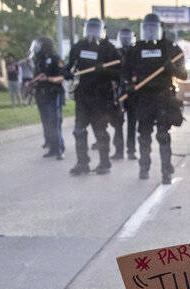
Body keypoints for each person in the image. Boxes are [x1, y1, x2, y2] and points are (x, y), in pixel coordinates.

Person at [123, 13, 186, 182]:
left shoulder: (169, 48)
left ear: (159, 29)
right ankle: (144, 168)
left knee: (163, 135)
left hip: (163, 97)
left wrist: (171, 68)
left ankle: (166, 171)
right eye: (147, 28)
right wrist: (128, 85)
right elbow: (125, 73)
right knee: (144, 136)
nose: (150, 32)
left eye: (153, 28)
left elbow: (184, 75)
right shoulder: (135, 50)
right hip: (143, 99)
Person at [65, 17, 120, 176]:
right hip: (82, 97)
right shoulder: (79, 47)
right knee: (79, 131)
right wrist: (67, 73)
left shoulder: (109, 49)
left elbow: (120, 72)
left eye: (96, 29)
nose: (93, 32)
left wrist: (104, 70)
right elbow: (70, 67)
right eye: (90, 28)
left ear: (101, 31)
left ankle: (104, 162)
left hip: (101, 98)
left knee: (100, 131)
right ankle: (82, 163)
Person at [30, 37, 65, 160]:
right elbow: (37, 77)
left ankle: (60, 149)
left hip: (54, 94)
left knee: (54, 122)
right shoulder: (39, 60)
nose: (38, 48)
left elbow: (62, 77)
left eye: (40, 45)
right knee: (46, 123)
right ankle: (52, 147)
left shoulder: (56, 59)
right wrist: (32, 84)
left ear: (46, 45)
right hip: (41, 95)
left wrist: (48, 79)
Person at [109, 27, 135, 161]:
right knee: (118, 122)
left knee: (132, 122)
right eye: (123, 36)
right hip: (119, 90)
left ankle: (131, 150)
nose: (125, 39)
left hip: (133, 91)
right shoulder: (115, 53)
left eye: (128, 36)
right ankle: (119, 150)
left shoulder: (135, 52)